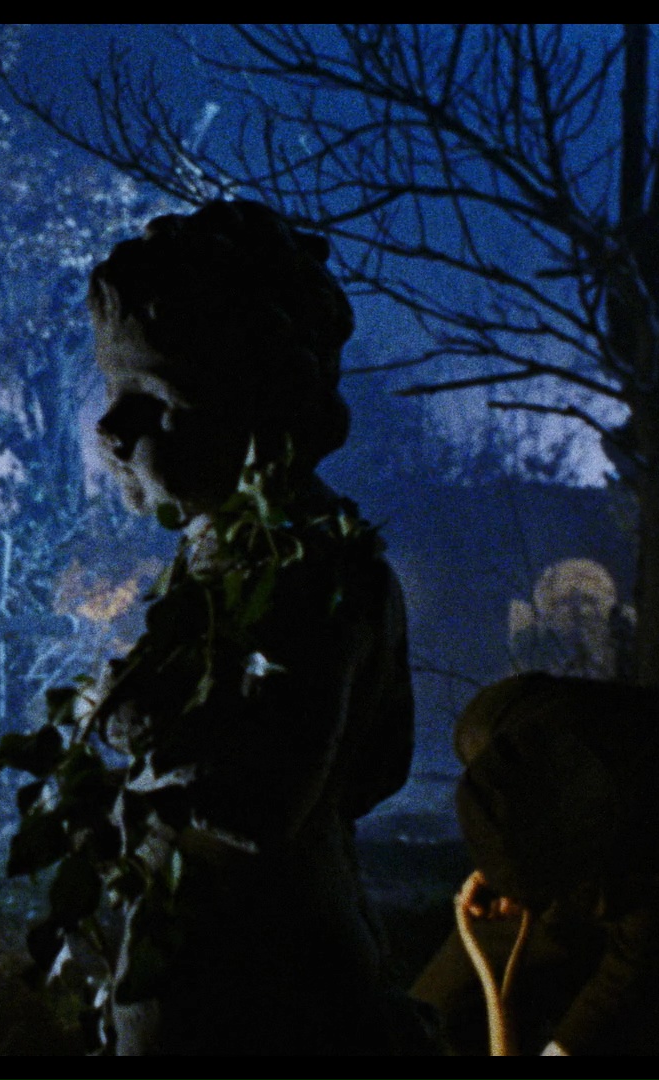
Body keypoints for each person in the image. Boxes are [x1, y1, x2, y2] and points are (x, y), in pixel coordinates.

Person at [85, 200, 420, 1054]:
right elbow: (376, 763)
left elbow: (265, 799)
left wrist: (141, 723)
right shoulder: (219, 560)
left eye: (154, 399)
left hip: (268, 992)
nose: (111, 429)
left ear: (263, 412)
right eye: (114, 392)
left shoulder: (315, 571)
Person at [411, 672, 659, 1055]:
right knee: (454, 988)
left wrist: (561, 1049)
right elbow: (501, 807)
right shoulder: (492, 727)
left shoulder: (658, 822)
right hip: (595, 836)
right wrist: (501, 875)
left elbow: (631, 962)